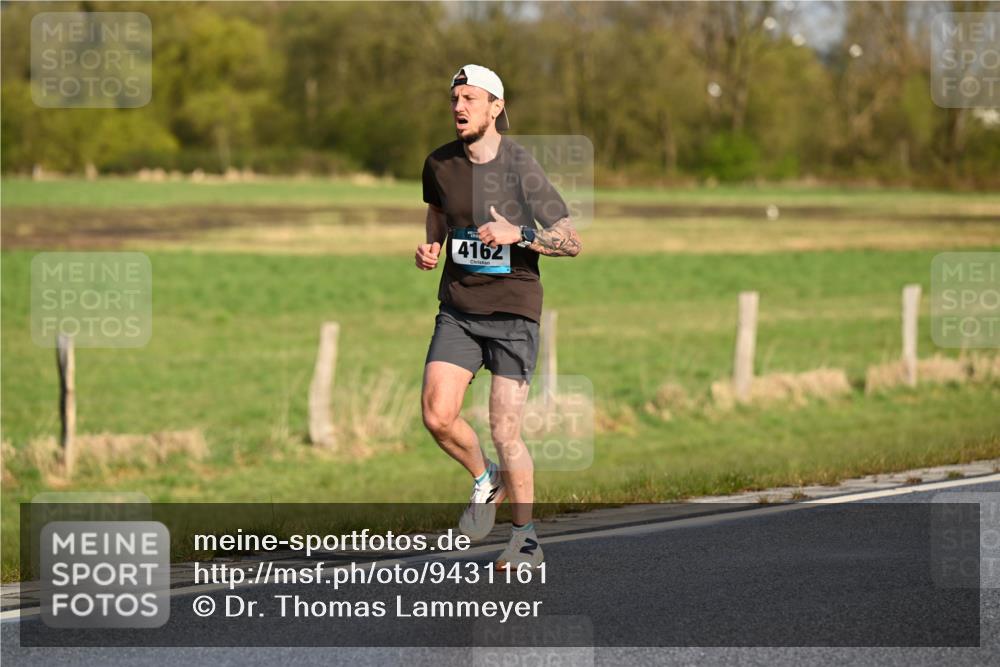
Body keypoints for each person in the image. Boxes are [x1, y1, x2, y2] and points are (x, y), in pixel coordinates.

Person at [415, 64, 582, 570]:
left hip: (513, 312)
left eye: (470, 98)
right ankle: (487, 479)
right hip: (459, 309)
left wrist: (521, 234)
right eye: (454, 98)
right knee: (437, 415)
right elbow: (438, 213)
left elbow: (571, 241)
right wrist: (431, 245)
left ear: (496, 107)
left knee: (505, 431)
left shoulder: (520, 166)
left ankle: (525, 540)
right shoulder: (439, 163)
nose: (459, 107)